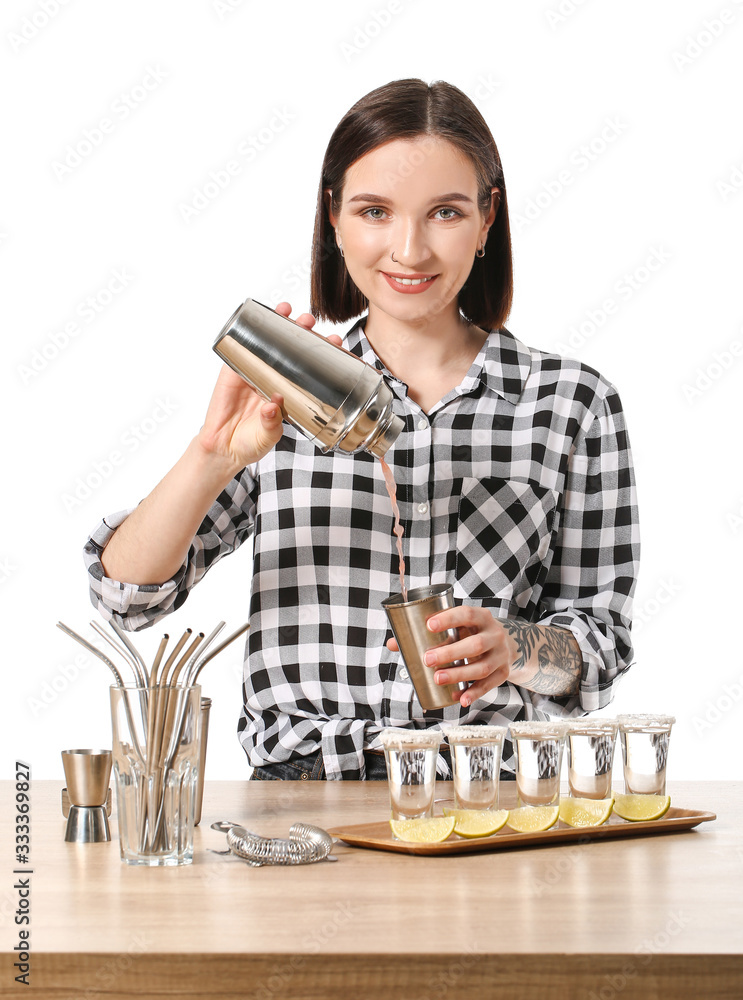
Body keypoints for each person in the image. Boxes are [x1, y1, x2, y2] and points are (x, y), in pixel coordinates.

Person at [83, 78, 639, 781]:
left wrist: (520, 649)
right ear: (335, 217)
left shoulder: (569, 403)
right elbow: (128, 597)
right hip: (304, 795)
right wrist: (212, 455)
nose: (408, 250)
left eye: (444, 212)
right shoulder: (284, 397)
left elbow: (600, 645)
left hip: (490, 795)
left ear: (486, 220)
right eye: (375, 211)